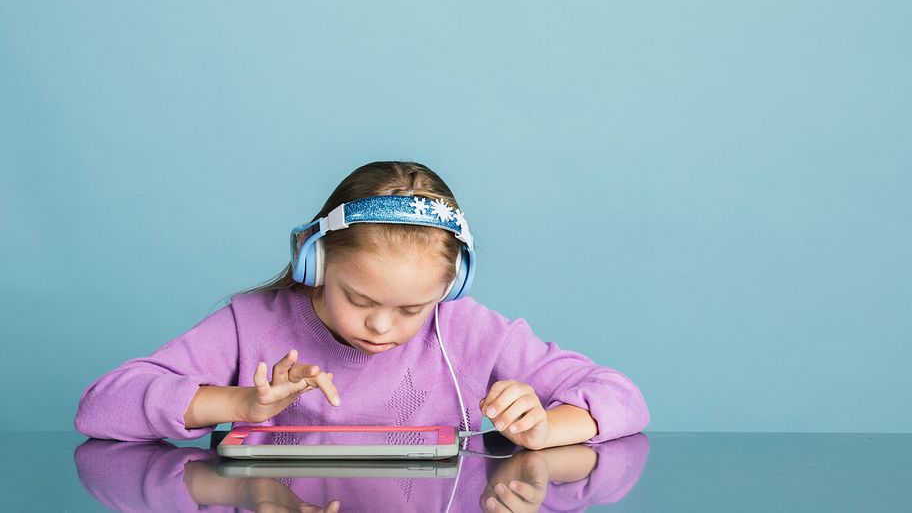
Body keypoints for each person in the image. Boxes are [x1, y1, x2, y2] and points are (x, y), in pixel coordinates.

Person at [75, 161, 650, 448]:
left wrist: (548, 427)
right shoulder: (252, 323)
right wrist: (239, 401)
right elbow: (99, 408)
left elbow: (622, 397)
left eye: (411, 310)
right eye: (359, 298)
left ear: (449, 289)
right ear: (314, 263)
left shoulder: (470, 332)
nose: (381, 326)